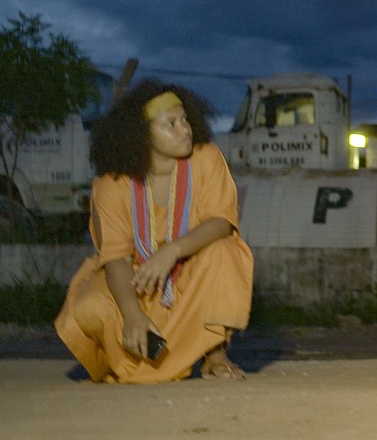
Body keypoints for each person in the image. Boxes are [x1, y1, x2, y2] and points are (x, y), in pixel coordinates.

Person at [54, 80, 254, 383]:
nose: (184, 129)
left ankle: (215, 356)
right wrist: (132, 313)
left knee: (227, 252)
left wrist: (171, 252)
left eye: (184, 119)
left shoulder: (207, 158)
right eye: (170, 124)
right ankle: (132, 355)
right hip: (136, 285)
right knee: (89, 305)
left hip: (190, 275)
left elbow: (221, 222)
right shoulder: (110, 185)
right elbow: (116, 257)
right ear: (141, 135)